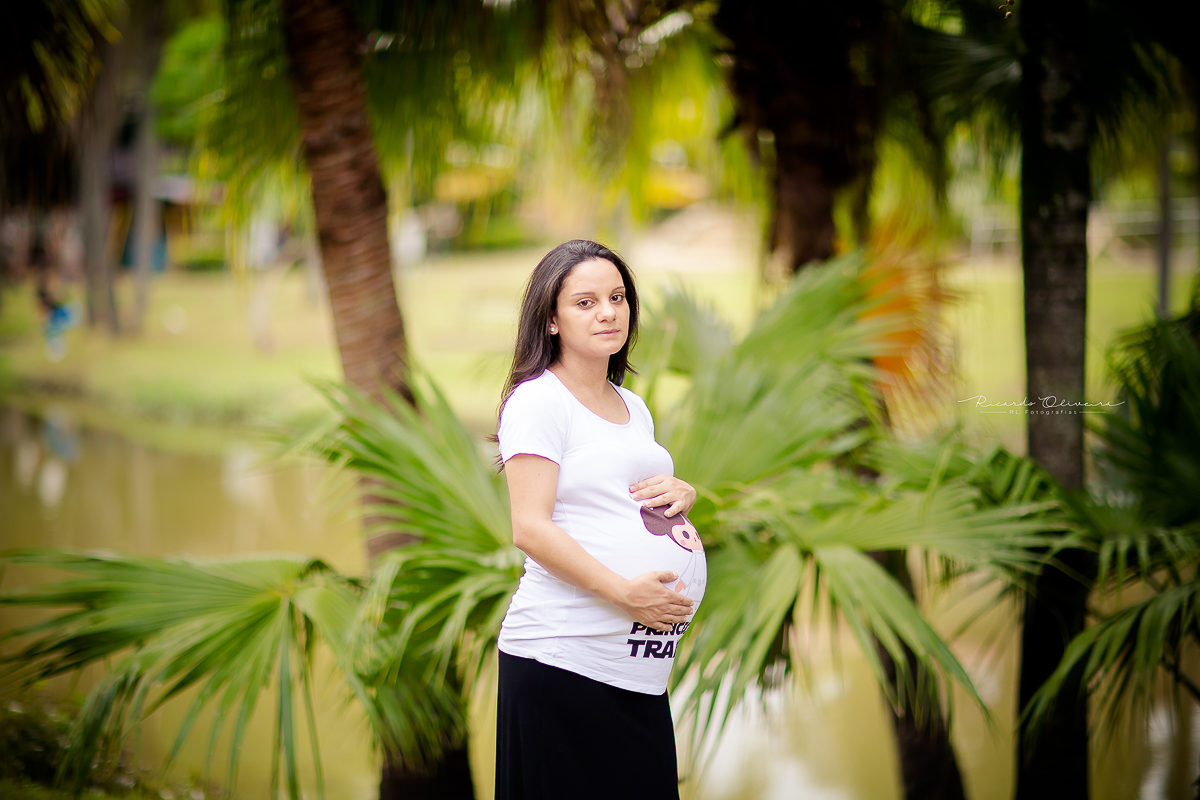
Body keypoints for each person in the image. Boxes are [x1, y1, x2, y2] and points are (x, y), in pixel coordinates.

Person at [493, 239, 706, 800]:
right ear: (552, 319)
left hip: (633, 672)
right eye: (585, 302)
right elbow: (530, 528)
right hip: (563, 662)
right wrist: (624, 593)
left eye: (617, 297)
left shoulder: (632, 405)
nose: (608, 312)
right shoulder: (539, 402)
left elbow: (622, 497)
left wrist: (683, 491)